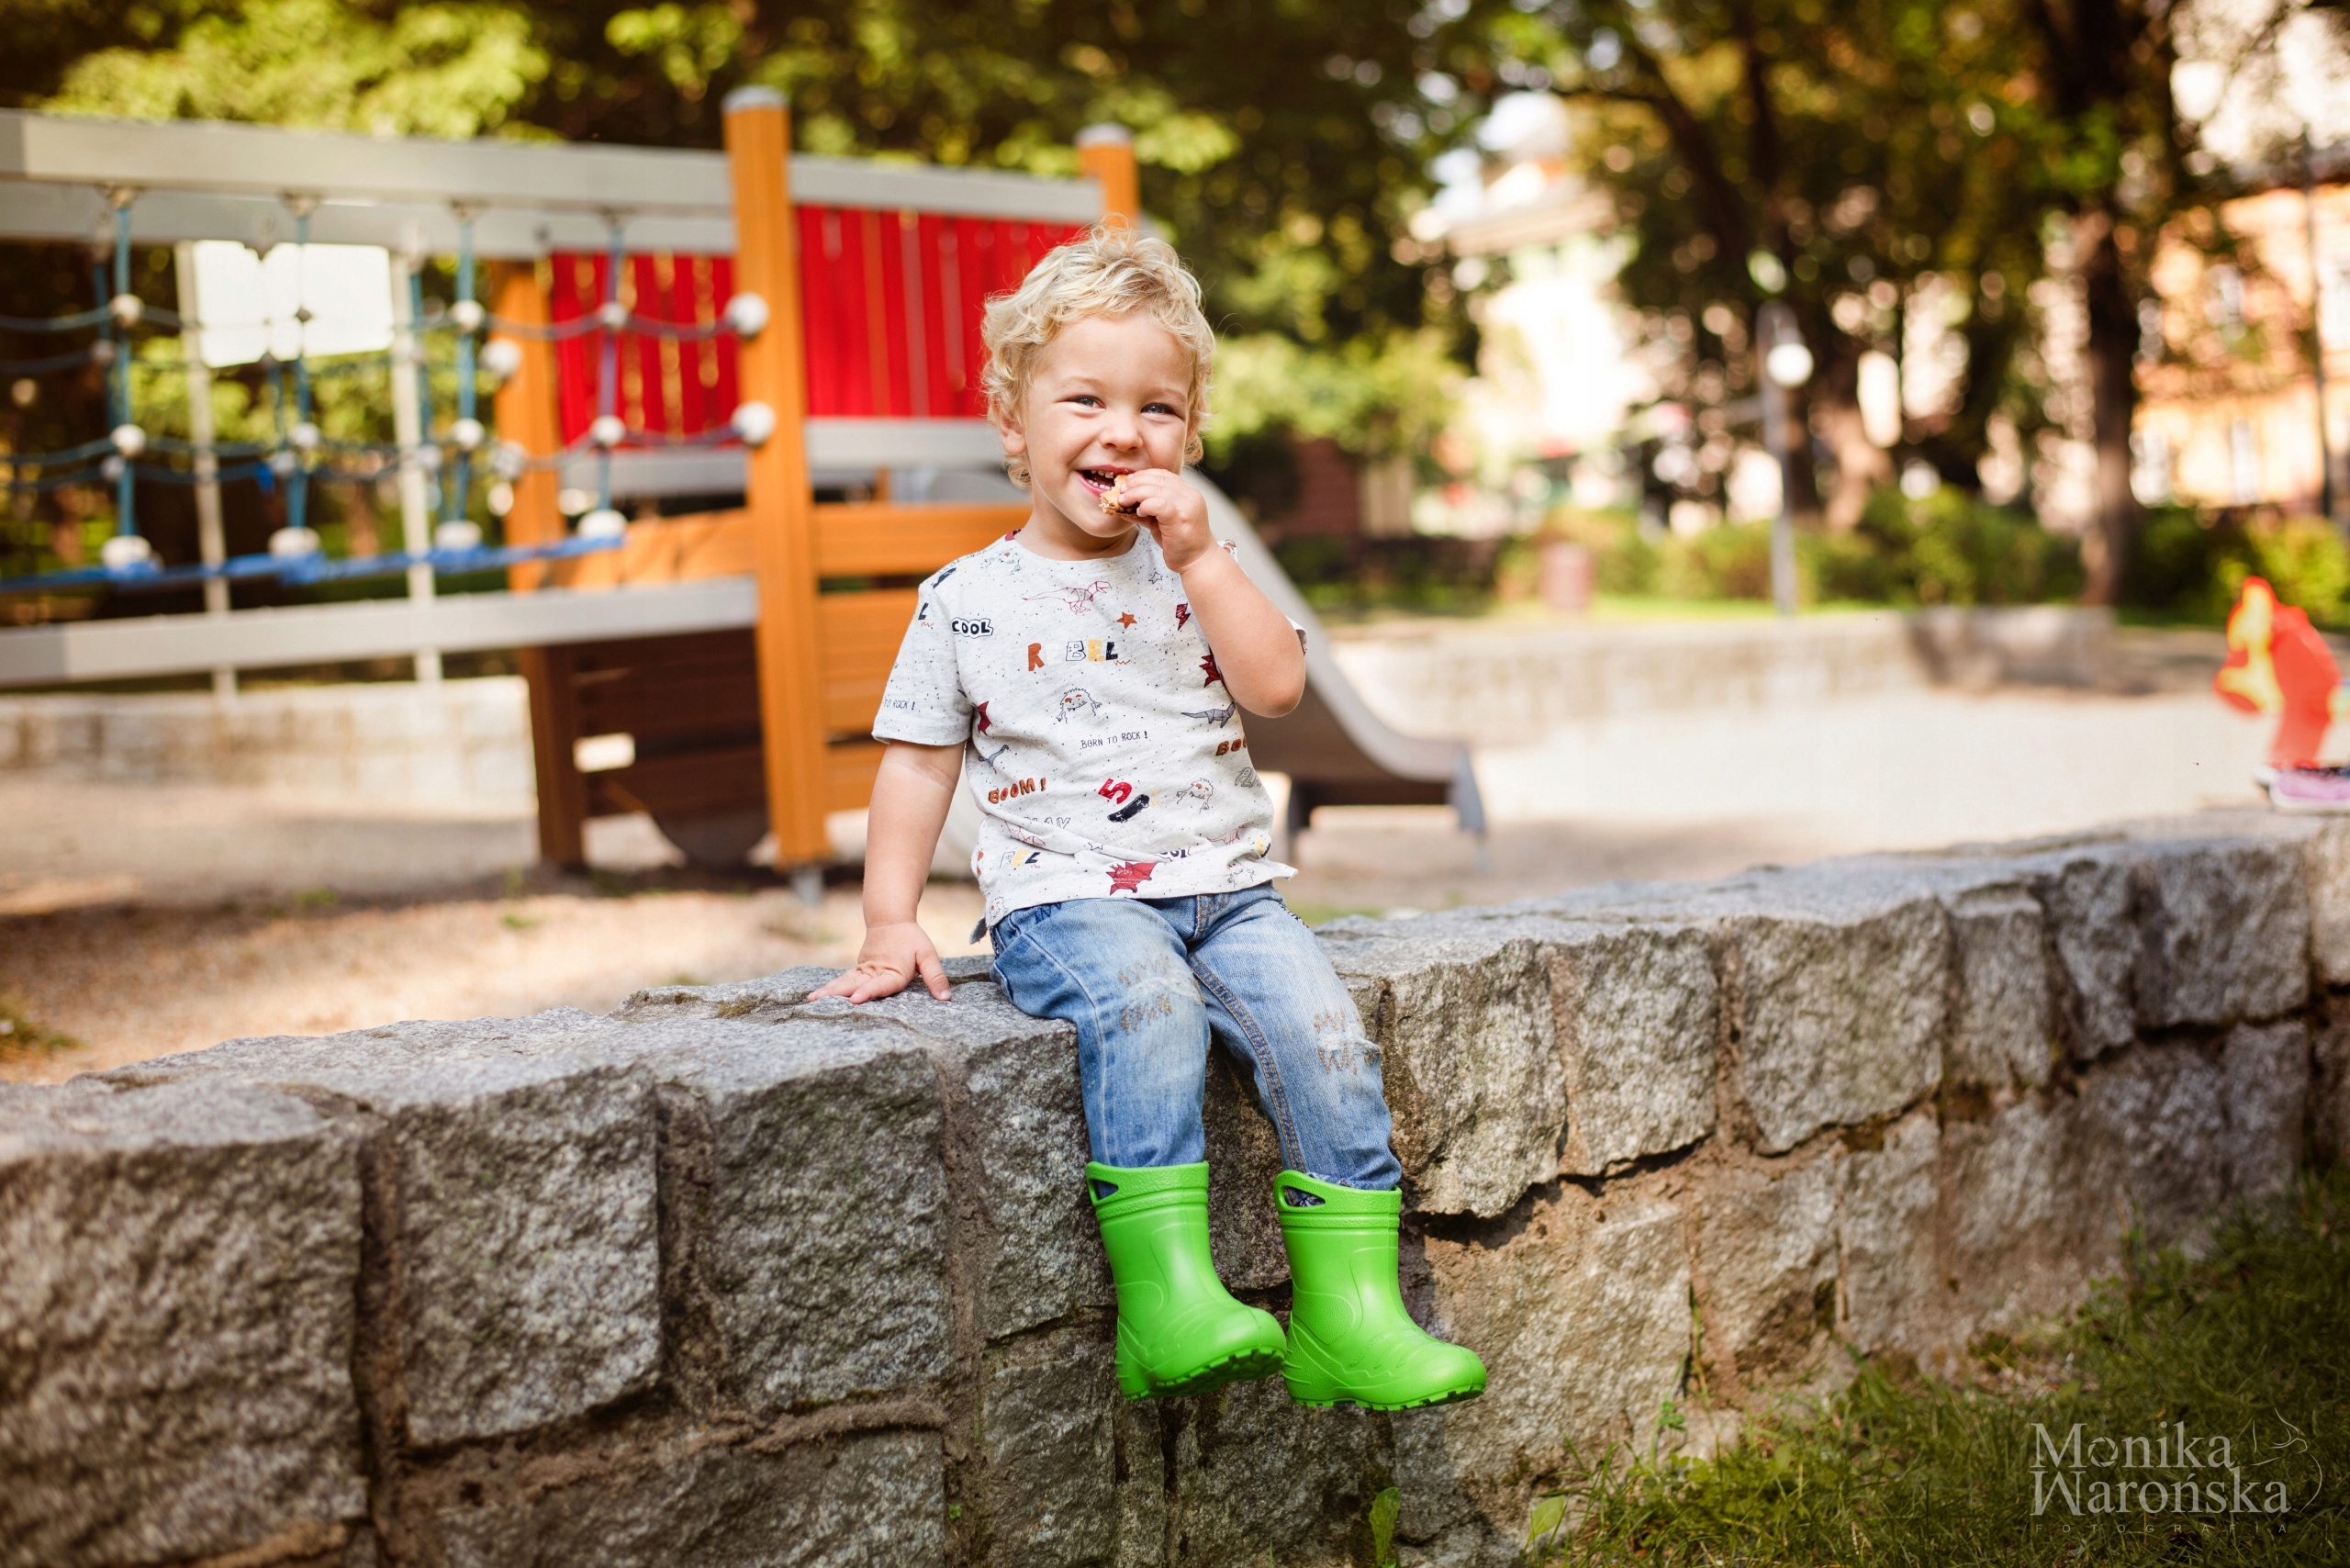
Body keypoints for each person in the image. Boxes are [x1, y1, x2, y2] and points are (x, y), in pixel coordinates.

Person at [811, 225, 1484, 1411]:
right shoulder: (967, 601)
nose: (1123, 432)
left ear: (1190, 436)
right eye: (1084, 399)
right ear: (1013, 426)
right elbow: (917, 768)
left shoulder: (1200, 569)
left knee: (1326, 1034)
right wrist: (887, 923)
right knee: (1146, 1007)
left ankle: (1351, 1315)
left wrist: (1206, 559)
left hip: (1228, 888)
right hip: (1068, 900)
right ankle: (1166, 1300)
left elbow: (1275, 687)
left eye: (1157, 410)